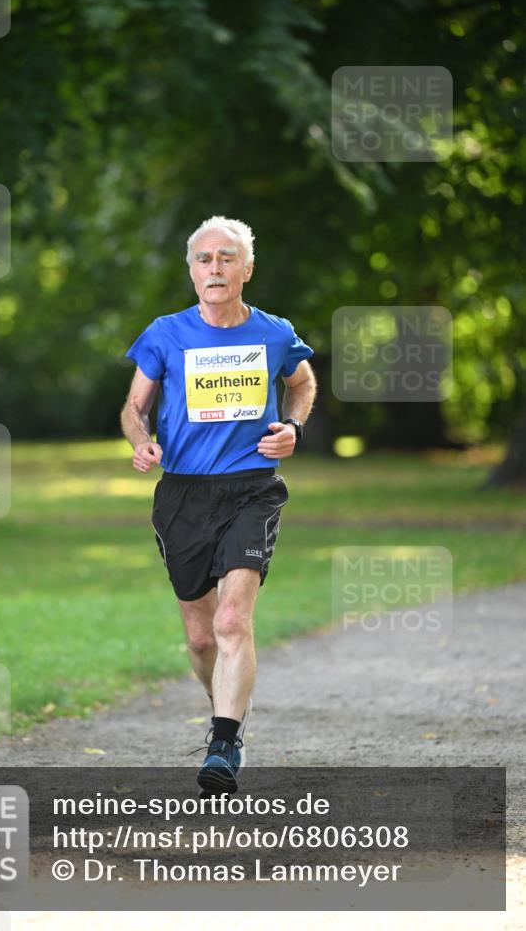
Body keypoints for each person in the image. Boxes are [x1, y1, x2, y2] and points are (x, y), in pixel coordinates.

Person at [121, 216, 316, 792]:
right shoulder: (164, 334)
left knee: (233, 620)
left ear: (246, 269)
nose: (215, 268)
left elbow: (301, 384)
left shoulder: (274, 333)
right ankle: (225, 712)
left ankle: (224, 742)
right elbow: (134, 407)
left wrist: (295, 429)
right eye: (204, 259)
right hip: (183, 493)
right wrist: (142, 441)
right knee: (203, 637)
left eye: (227, 258)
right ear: (191, 270)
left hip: (253, 486)